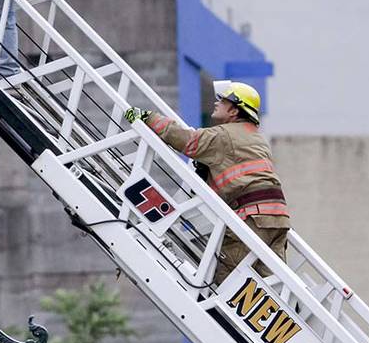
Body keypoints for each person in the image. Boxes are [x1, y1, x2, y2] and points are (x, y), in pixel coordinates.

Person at [124, 81, 290, 284]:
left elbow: (187, 140)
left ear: (235, 110)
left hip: (252, 219)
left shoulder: (224, 135)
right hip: (278, 218)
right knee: (274, 288)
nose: (217, 102)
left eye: (224, 99)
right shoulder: (256, 138)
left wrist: (147, 117)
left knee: (230, 284)